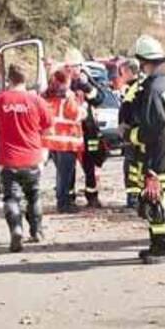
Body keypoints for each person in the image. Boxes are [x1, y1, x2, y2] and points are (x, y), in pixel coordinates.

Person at [0, 64, 53, 252]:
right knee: (34, 195)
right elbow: (48, 129)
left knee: (11, 198)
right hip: (32, 158)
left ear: (8, 79)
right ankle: (36, 230)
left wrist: (2, 131)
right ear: (25, 79)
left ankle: (16, 229)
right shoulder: (36, 100)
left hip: (8, 160)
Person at [130, 35, 165, 263]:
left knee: (158, 203)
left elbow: (151, 129)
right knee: (158, 201)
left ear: (143, 62)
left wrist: (131, 134)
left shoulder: (152, 89)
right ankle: (158, 245)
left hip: (160, 157)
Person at [63, 47, 105, 208]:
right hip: (68, 130)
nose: (73, 70)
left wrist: (87, 87)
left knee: (90, 163)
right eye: (70, 67)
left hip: (87, 129)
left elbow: (100, 98)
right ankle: (68, 197)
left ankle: (92, 195)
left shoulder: (85, 79)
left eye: (76, 67)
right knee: (68, 165)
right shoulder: (61, 81)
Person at [41, 69, 85, 214]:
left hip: (52, 141)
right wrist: (82, 107)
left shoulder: (47, 95)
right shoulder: (68, 96)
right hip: (66, 141)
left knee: (61, 173)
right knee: (65, 175)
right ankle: (63, 203)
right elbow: (75, 114)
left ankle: (62, 201)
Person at [118, 57, 145, 209]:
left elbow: (133, 111)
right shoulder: (133, 87)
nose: (121, 76)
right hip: (132, 134)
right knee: (132, 166)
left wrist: (126, 126)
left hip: (134, 134)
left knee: (132, 166)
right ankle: (134, 197)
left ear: (129, 71)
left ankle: (133, 198)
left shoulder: (137, 88)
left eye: (122, 73)